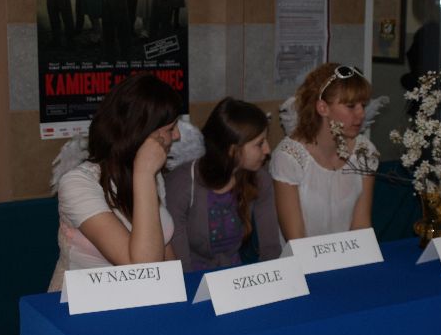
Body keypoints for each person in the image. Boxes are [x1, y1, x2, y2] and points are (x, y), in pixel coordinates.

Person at [48, 73, 182, 292]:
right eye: (170, 128)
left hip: (141, 299)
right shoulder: (77, 183)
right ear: (142, 133)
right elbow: (142, 269)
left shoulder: (151, 173)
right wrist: (144, 174)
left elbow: (165, 257)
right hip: (85, 304)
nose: (176, 136)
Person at [165, 98, 281, 272]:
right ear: (233, 150)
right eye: (259, 144)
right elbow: (180, 265)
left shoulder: (260, 179)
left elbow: (270, 248)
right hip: (193, 278)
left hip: (235, 276)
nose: (267, 150)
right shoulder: (182, 184)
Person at [270, 63, 379, 241]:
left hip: (349, 255)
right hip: (303, 256)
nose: (361, 114)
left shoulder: (364, 152)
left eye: (363, 105)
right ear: (323, 108)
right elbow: (295, 238)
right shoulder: (289, 157)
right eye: (351, 106)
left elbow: (361, 225)